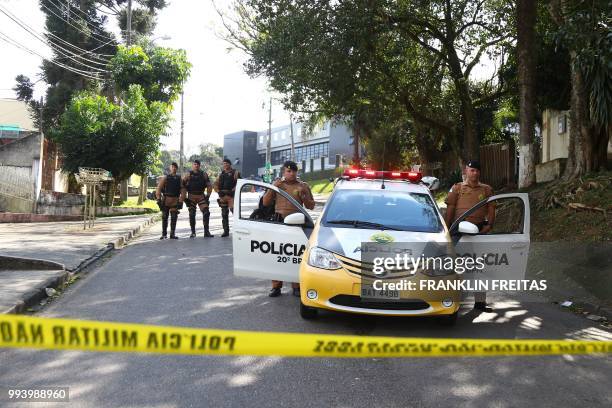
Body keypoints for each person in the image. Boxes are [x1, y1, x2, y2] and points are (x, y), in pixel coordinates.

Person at [444, 160, 495, 311]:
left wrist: (489, 226)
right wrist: (447, 230)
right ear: (466, 171)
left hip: (479, 232)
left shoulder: (486, 189)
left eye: (477, 171)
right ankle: (451, 300)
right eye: (472, 170)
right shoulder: (457, 188)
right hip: (458, 231)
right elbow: (450, 210)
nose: (475, 173)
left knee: (480, 268)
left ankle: (480, 302)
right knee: (453, 266)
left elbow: (491, 209)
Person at [262, 160, 315, 298]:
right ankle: (276, 286)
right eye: (288, 171)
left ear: (297, 172)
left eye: (293, 171)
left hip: (297, 224)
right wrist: (273, 188)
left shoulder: (303, 186)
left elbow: (311, 206)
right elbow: (265, 202)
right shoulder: (278, 184)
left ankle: (296, 286)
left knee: (295, 256)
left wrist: (304, 195)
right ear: (283, 172)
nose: (291, 173)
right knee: (277, 255)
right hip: (279, 222)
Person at [183, 160, 214, 238]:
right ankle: (193, 232)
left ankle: (206, 232)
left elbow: (209, 185)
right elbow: (182, 185)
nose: (196, 166)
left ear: (199, 166)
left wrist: (208, 196)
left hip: (201, 195)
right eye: (195, 164)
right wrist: (184, 198)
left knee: (206, 212)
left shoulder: (204, 174)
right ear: (193, 165)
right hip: (191, 196)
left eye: (198, 164)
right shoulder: (188, 174)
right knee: (192, 213)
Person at [156, 162, 183, 239]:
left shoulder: (179, 178)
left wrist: (181, 200)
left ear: (176, 168)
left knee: (174, 217)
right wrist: (158, 199)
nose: (174, 168)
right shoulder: (165, 178)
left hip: (175, 199)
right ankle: (164, 234)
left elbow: (182, 189)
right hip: (166, 200)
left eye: (175, 167)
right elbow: (159, 188)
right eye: (172, 167)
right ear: (170, 168)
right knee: (164, 217)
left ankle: (172, 234)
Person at [214, 158, 241, 237]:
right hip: (223, 196)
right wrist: (218, 191)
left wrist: (233, 191)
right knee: (224, 214)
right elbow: (215, 184)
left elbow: (239, 183)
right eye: (224, 163)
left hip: (232, 196)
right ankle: (226, 231)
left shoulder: (235, 173)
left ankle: (238, 230)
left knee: (235, 213)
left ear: (230, 164)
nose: (225, 165)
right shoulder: (221, 174)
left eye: (227, 163)